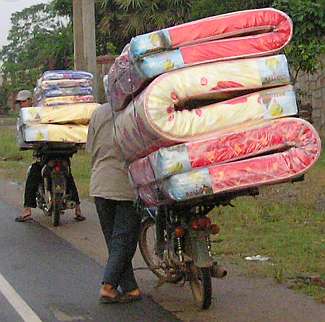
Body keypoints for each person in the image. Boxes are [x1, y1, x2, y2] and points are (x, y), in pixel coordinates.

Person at [86, 103, 142, 303]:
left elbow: (90, 148)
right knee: (123, 240)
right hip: (126, 184)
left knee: (114, 240)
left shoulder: (98, 112)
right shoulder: (137, 107)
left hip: (100, 183)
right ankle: (108, 286)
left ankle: (131, 287)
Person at [15, 90, 85, 222]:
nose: (22, 105)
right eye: (20, 103)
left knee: (34, 174)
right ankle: (78, 209)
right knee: (68, 175)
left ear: (31, 100)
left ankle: (27, 210)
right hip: (60, 152)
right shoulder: (28, 116)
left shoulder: (38, 112)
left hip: (51, 152)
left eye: (23, 101)